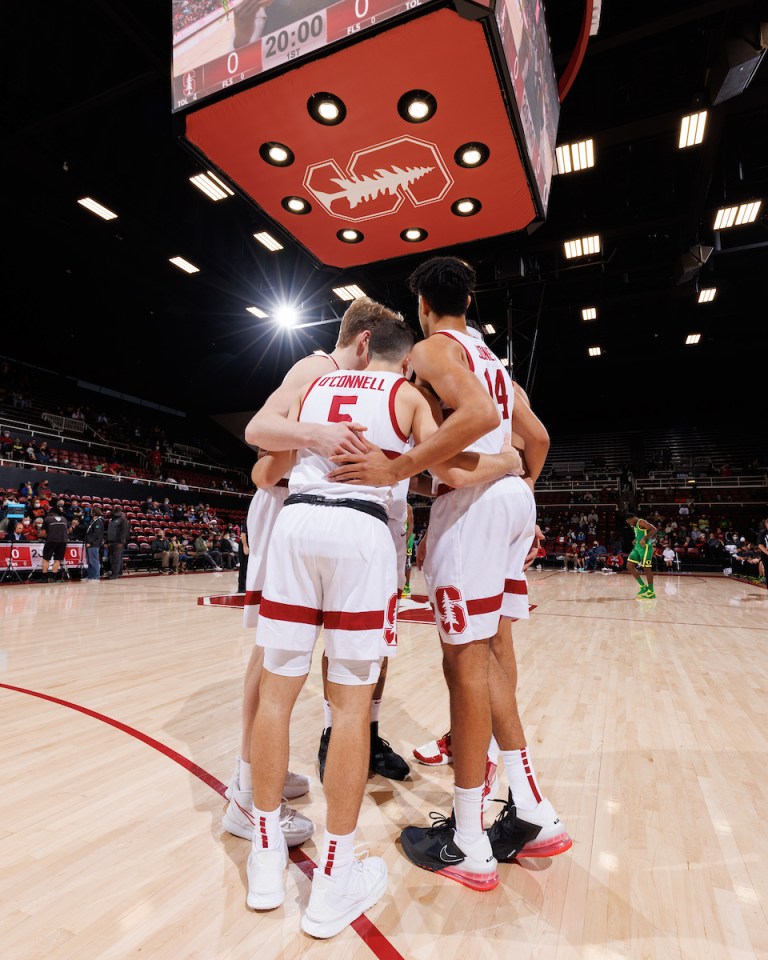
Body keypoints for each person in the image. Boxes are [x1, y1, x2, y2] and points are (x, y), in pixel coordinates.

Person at [242, 311, 523, 934]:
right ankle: (335, 876)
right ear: (403, 359)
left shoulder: (315, 382)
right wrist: (504, 461)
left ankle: (265, 856)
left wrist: (314, 442)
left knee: (276, 693)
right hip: (361, 536)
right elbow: (450, 469)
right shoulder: (404, 395)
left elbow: (264, 451)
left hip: (297, 526)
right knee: (348, 707)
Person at [328, 257, 569, 888]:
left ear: (423, 308)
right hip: (512, 502)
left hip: (473, 510)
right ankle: (531, 806)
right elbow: (534, 437)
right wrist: (520, 490)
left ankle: (467, 838)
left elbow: (478, 428)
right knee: (489, 655)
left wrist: (396, 468)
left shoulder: (434, 351)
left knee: (463, 665)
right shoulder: (490, 359)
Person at [221, 297, 406, 858]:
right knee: (269, 659)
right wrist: (316, 436)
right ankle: (247, 791)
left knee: (280, 661)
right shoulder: (318, 367)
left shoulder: (347, 385)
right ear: (365, 343)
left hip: (315, 515)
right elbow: (260, 435)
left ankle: (256, 783)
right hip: (291, 511)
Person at [625, 514, 658, 599]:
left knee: (646, 568)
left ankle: (651, 591)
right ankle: (643, 586)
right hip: (637, 547)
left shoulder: (641, 522)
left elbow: (654, 530)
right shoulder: (635, 524)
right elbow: (641, 533)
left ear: (633, 518)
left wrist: (644, 538)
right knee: (629, 565)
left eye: (630, 522)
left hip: (645, 548)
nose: (630, 524)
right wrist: (636, 539)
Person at [40, 504, 70, 582]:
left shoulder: (47, 519)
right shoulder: (64, 519)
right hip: (63, 541)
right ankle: (53, 577)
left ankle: (44, 578)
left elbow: (43, 533)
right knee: (58, 559)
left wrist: (49, 534)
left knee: (46, 558)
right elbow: (70, 530)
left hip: (51, 540)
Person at [106, 507, 131, 579]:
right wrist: (107, 541)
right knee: (113, 558)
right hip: (111, 541)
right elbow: (109, 532)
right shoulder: (112, 520)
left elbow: (124, 531)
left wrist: (121, 541)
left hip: (118, 542)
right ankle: (118, 572)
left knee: (116, 558)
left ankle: (115, 574)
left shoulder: (123, 520)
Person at [84, 505, 105, 580]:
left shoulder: (98, 522)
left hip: (94, 544)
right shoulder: (93, 521)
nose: (90, 514)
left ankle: (96, 576)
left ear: (94, 513)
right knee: (90, 561)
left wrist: (90, 541)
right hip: (91, 544)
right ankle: (90, 576)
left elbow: (96, 534)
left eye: (92, 512)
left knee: (94, 561)